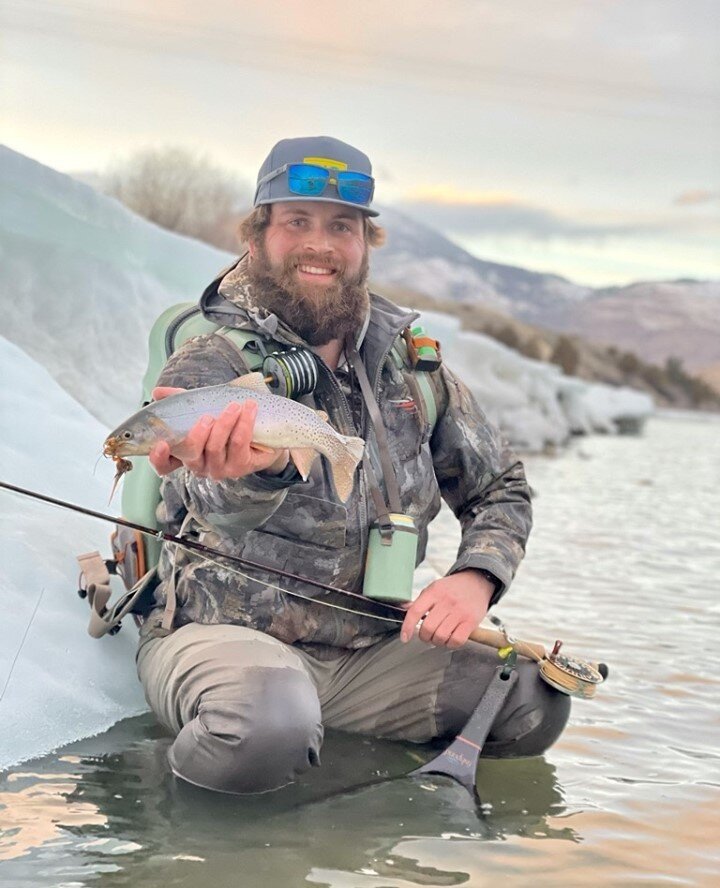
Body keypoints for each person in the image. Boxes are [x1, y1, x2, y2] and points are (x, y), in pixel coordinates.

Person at [135, 136, 570, 793]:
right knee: (267, 727)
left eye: (342, 226)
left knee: (531, 698)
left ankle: (360, 808)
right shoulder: (211, 361)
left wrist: (474, 578)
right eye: (297, 223)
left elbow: (501, 487)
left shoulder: (415, 367)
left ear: (366, 243)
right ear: (257, 237)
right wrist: (255, 471)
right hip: (226, 636)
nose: (321, 244)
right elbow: (204, 502)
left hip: (371, 651)